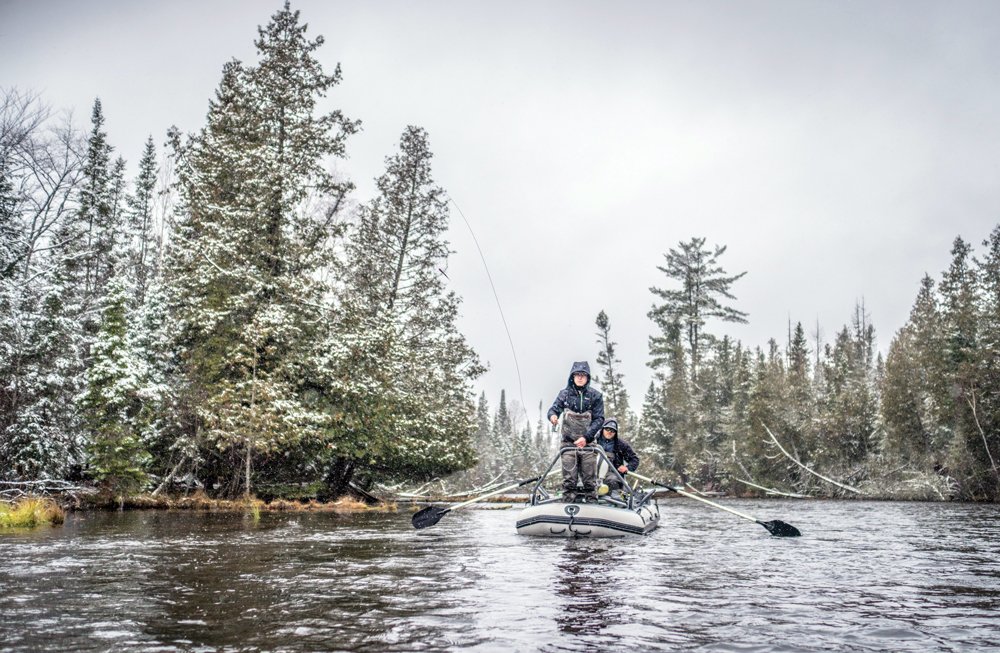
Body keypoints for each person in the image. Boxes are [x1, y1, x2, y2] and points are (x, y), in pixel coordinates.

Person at [547, 361, 604, 502]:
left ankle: (593, 509)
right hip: (568, 445)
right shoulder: (564, 394)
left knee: (590, 482)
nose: (580, 377)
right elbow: (553, 409)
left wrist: (586, 437)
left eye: (583, 375)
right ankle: (567, 507)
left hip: (588, 445)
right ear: (572, 377)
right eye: (577, 374)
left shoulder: (595, 396)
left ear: (587, 378)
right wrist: (553, 416)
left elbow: (599, 419)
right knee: (569, 481)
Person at [596, 418, 639, 500]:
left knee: (613, 481)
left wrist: (627, 467)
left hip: (612, 474)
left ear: (615, 432)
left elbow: (634, 460)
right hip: (592, 472)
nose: (609, 432)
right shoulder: (593, 440)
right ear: (602, 429)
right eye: (607, 429)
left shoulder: (621, 445)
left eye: (612, 430)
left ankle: (616, 500)